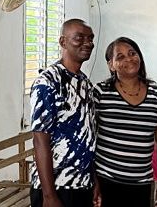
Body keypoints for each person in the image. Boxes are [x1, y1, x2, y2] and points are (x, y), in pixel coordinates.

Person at [93, 37, 157, 207]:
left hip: (141, 182)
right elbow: (89, 137)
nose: (129, 59)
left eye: (132, 53)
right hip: (106, 179)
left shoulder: (156, 93)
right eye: (120, 57)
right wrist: (93, 179)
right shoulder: (100, 92)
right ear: (111, 65)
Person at [29, 19, 96, 207]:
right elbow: (40, 139)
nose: (88, 43)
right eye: (79, 38)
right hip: (56, 186)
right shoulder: (48, 82)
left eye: (90, 38)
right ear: (63, 42)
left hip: (82, 185)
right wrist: (49, 196)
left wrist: (93, 181)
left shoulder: (84, 83)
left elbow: (88, 135)